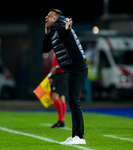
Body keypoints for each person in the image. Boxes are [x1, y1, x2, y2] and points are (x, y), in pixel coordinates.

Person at [43, 9, 88, 145]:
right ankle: (75, 134)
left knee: (74, 102)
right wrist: (46, 32)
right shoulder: (54, 30)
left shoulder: (62, 26)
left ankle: (79, 136)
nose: (46, 17)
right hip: (71, 69)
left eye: (49, 16)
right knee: (72, 102)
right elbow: (45, 49)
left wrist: (67, 29)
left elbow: (65, 31)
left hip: (77, 69)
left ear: (57, 18)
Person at [49, 53, 67, 128]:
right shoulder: (57, 50)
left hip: (61, 75)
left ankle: (60, 120)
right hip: (59, 75)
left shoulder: (61, 49)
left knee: (54, 96)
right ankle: (61, 121)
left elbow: (66, 63)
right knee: (61, 97)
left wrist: (56, 67)